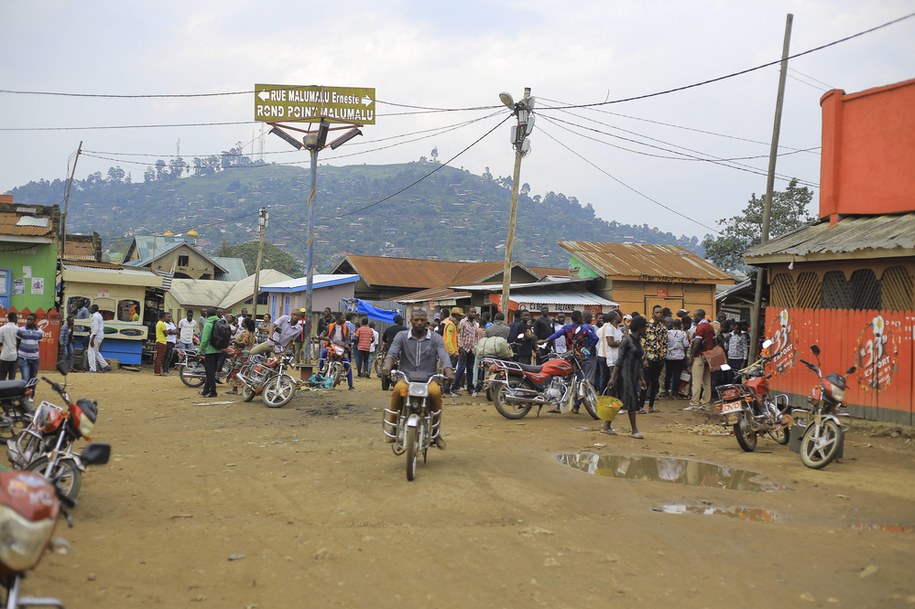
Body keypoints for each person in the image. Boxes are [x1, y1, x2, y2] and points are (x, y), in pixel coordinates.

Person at [380, 309, 454, 450]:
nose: (419, 322)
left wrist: (448, 371)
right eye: (416, 320)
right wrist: (387, 367)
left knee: (436, 393)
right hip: (406, 378)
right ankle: (394, 428)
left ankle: (435, 432)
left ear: (426, 321)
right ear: (410, 321)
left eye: (422, 320)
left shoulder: (436, 338)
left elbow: (444, 356)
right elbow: (392, 353)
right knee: (398, 390)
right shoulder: (401, 336)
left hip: (429, 379)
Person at [540, 310, 598, 414]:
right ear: (580, 318)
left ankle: (559, 405)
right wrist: (588, 348)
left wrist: (545, 340)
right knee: (580, 381)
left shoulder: (566, 328)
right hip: (580, 357)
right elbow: (595, 338)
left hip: (569, 357)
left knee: (564, 380)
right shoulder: (584, 329)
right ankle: (576, 406)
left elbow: (556, 335)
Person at [608, 315, 647, 439]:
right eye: (644, 328)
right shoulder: (626, 341)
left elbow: (638, 362)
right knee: (631, 400)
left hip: (634, 375)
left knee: (620, 401)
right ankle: (634, 430)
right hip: (624, 375)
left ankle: (606, 425)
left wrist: (641, 379)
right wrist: (613, 378)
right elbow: (619, 361)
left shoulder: (637, 341)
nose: (646, 330)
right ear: (639, 328)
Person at [639, 305, 668, 414]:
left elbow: (665, 344)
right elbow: (642, 344)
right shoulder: (646, 326)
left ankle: (651, 407)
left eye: (660, 312)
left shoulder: (663, 328)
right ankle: (641, 406)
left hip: (659, 359)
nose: (659, 314)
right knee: (646, 382)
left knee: (655, 382)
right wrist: (644, 359)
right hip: (648, 359)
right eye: (657, 312)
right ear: (653, 314)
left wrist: (663, 357)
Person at [686, 308, 715, 409]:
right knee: (707, 382)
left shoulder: (701, 327)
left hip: (699, 356)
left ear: (699, 316)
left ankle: (694, 404)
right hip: (709, 356)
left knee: (696, 381)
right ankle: (705, 404)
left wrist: (692, 357)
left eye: (695, 316)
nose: (694, 318)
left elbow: (697, 343)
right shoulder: (710, 327)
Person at [320, 312, 354, 390]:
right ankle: (321, 371)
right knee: (323, 354)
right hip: (331, 346)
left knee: (347, 364)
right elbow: (323, 334)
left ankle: (351, 385)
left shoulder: (346, 328)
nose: (344, 319)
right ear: (338, 318)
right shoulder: (330, 326)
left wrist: (347, 345)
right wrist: (324, 338)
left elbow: (347, 339)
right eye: (343, 318)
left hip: (342, 348)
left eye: (345, 318)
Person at [226, 317, 257, 395]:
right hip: (249, 354)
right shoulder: (252, 333)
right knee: (244, 371)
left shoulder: (245, 332)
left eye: (243, 322)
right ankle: (243, 389)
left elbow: (243, 343)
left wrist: (234, 341)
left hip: (242, 354)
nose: (241, 323)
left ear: (246, 324)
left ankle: (235, 389)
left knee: (236, 370)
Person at [452, 307, 479, 395]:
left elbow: (476, 336)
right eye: (472, 312)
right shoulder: (462, 322)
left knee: (470, 369)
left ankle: (470, 387)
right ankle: (454, 386)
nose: (473, 313)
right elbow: (459, 335)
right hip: (464, 349)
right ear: (468, 313)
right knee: (461, 368)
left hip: (472, 349)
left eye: (475, 312)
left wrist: (475, 347)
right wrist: (460, 347)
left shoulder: (476, 324)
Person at [198, 308, 221, 398]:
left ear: (208, 314)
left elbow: (204, 340)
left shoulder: (208, 324)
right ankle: (205, 390)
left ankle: (213, 392)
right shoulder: (219, 322)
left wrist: (200, 350)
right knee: (211, 371)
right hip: (218, 349)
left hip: (209, 350)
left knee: (210, 372)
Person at [664, 318, 689, 399]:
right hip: (679, 356)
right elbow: (686, 345)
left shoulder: (667, 333)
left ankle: (666, 391)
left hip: (669, 356)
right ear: (680, 325)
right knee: (677, 375)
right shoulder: (683, 333)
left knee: (668, 374)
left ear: (673, 325)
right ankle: (675, 392)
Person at [16, 313, 43, 383]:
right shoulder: (20, 330)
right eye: (27, 319)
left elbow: (37, 343)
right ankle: (24, 393)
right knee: (25, 378)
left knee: (33, 379)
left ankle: (31, 393)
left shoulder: (40, 332)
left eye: (30, 319)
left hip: (35, 358)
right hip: (23, 358)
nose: (28, 321)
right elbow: (17, 342)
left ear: (35, 321)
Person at [441, 307, 461, 396]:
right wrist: (453, 353)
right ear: (456, 315)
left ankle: (445, 390)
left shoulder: (450, 324)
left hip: (448, 352)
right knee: (450, 372)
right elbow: (448, 341)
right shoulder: (450, 325)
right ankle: (446, 391)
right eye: (460, 316)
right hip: (450, 353)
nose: (461, 318)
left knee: (446, 372)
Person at [87, 304, 111, 373]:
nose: (89, 309)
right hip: (100, 335)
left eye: (90, 308)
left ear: (93, 309)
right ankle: (105, 366)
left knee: (91, 352)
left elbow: (96, 329)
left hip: (96, 336)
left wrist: (92, 339)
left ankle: (93, 369)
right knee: (96, 351)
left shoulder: (95, 317)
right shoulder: (99, 315)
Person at [0, 312, 19, 380]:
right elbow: (19, 343)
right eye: (16, 318)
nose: (17, 319)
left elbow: (0, 343)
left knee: (2, 375)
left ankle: (2, 390)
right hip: (14, 356)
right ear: (14, 318)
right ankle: (11, 390)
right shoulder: (18, 329)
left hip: (4, 355)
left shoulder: (2, 328)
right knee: (12, 377)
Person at [154, 311, 169, 376]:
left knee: (158, 357)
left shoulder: (158, 323)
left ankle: (156, 371)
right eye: (166, 316)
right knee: (160, 357)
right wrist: (168, 331)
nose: (167, 318)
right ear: (163, 317)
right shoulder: (162, 324)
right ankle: (158, 372)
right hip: (162, 342)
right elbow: (166, 334)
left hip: (158, 341)